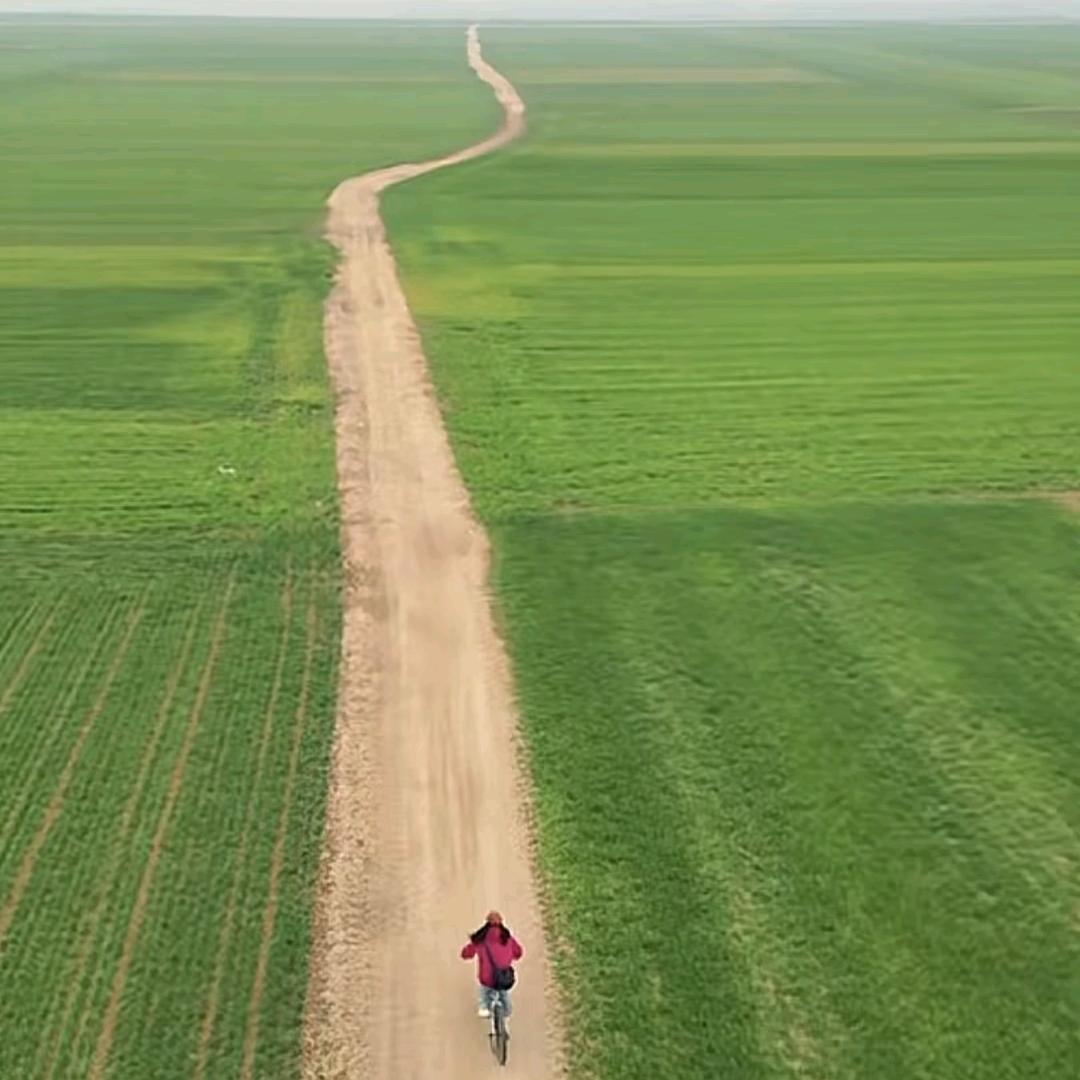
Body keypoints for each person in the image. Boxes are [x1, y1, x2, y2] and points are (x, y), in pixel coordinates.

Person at [460, 910, 523, 1021]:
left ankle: (484, 1007)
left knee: (484, 991)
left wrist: (465, 954)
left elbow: (467, 953)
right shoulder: (507, 938)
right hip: (504, 977)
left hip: (487, 978)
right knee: (504, 993)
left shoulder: (480, 939)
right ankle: (506, 1015)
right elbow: (518, 952)